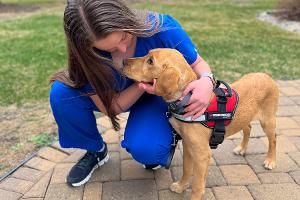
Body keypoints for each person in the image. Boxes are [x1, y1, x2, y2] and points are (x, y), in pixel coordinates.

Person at [49, 0, 214, 187]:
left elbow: (198, 64)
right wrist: (141, 83)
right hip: (122, 96)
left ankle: (161, 135)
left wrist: (207, 81)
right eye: (109, 49)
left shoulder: (162, 28)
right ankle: (95, 150)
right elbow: (114, 107)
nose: (122, 50)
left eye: (123, 37)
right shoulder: (86, 57)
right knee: (61, 93)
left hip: (158, 96)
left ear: (126, 19)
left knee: (149, 151)